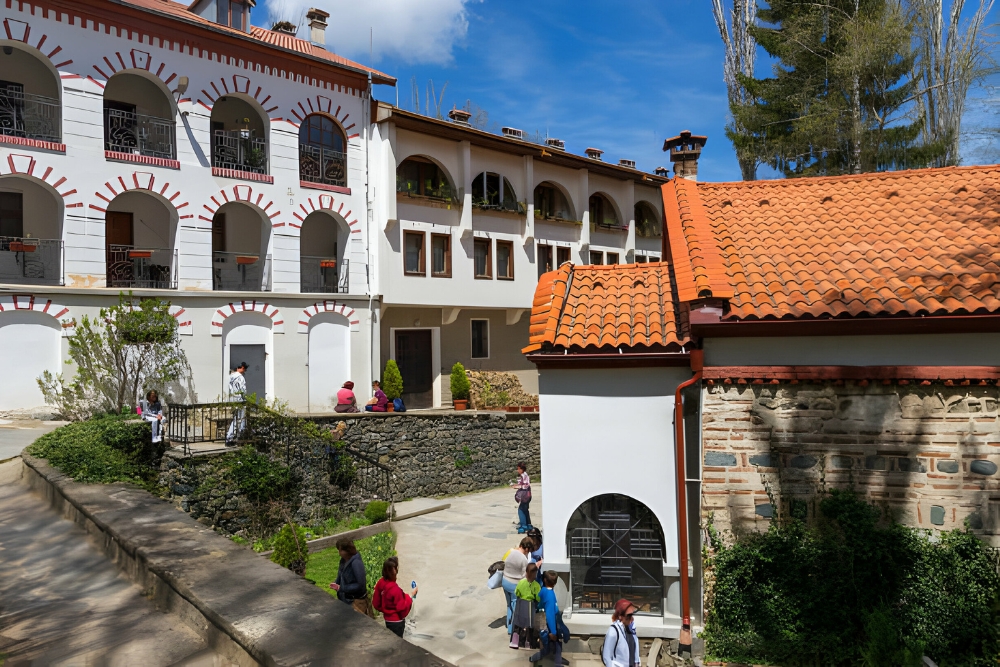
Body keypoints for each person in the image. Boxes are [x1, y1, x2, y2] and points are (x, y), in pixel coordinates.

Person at [530, 571, 570, 665]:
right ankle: (556, 663)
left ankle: (536, 658)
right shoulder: (551, 596)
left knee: (546, 646)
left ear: (544, 580)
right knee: (556, 645)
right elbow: (550, 615)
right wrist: (553, 632)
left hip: (541, 620)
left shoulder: (543, 590)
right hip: (550, 625)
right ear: (555, 583)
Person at [372, 556, 416, 638]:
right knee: (398, 643)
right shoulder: (395, 590)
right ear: (395, 571)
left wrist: (385, 609)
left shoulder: (381, 583)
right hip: (397, 621)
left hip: (387, 619)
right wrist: (410, 597)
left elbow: (376, 603)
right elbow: (402, 608)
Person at [501, 537, 534, 637]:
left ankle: (508, 624)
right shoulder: (523, 559)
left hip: (505, 581)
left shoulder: (511, 552)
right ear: (527, 549)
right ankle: (512, 629)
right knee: (515, 607)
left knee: (509, 605)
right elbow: (525, 576)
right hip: (514, 585)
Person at [329, 539, 370, 615]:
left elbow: (360, 585)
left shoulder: (356, 563)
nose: (339, 553)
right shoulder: (343, 561)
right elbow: (340, 574)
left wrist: (342, 588)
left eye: (340, 551)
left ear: (347, 551)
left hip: (356, 602)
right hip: (345, 600)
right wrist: (336, 583)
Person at [602, 599, 641, 667]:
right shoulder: (613, 632)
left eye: (632, 615)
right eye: (628, 616)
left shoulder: (630, 630)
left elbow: (635, 653)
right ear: (620, 616)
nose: (631, 618)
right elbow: (607, 658)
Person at [511, 562, 541, 649]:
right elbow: (538, 598)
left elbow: (517, 592)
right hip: (530, 606)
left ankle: (515, 641)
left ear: (526, 572)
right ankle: (528, 642)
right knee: (529, 625)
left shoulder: (521, 582)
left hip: (521, 604)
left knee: (518, 623)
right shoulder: (536, 585)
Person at [226, 362, 248, 444]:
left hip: (233, 399)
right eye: (245, 369)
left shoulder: (231, 376)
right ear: (242, 367)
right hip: (240, 400)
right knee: (241, 419)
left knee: (235, 419)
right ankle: (239, 436)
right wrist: (245, 399)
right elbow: (243, 390)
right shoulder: (240, 377)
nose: (245, 371)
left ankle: (230, 437)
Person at [510, 462, 532, 533]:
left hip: (524, 496)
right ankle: (528, 524)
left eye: (519, 469)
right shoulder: (525, 475)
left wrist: (516, 487)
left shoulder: (523, 475)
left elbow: (525, 485)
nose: (518, 470)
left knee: (521, 510)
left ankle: (523, 526)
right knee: (525, 509)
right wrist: (516, 485)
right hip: (528, 495)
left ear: (522, 469)